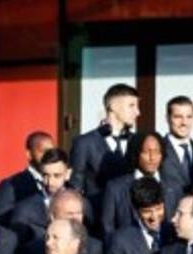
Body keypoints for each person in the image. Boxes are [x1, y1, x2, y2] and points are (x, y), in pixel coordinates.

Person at [70, 82, 141, 218]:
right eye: (131, 106)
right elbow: (75, 189)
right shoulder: (84, 143)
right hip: (95, 221)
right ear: (113, 106)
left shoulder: (137, 141)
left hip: (132, 222)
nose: (138, 112)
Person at [100, 132, 181, 235]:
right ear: (137, 153)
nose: (152, 157)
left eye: (157, 152)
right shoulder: (116, 188)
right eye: (147, 152)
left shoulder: (174, 186)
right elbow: (107, 227)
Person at [9, 147, 79, 244]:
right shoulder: (24, 210)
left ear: (68, 174)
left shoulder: (81, 204)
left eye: (57, 175)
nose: (50, 182)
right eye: (46, 175)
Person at [0, 131, 55, 224]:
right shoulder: (11, 185)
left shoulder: (63, 182)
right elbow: (1, 222)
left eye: (51, 152)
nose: (48, 156)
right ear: (29, 154)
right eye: (43, 151)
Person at [160, 95, 193, 195]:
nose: (184, 122)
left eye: (189, 117)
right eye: (178, 117)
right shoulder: (158, 149)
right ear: (167, 118)